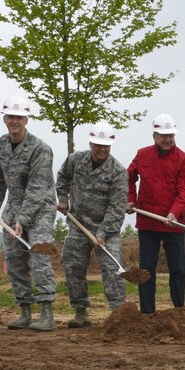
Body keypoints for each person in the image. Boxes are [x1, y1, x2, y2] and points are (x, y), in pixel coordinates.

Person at [0, 95, 58, 331]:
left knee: (39, 255)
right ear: (5, 119)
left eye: (19, 117)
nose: (14, 121)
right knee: (14, 260)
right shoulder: (1, 144)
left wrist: (23, 221)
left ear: (26, 119)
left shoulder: (40, 149)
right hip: (14, 207)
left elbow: (37, 188)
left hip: (41, 209)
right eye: (11, 117)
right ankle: (25, 311)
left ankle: (46, 313)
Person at [56, 122, 128, 327]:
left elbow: (117, 207)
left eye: (105, 145)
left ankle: (118, 314)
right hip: (78, 225)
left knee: (113, 268)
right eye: (97, 144)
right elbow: (62, 177)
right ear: (91, 142)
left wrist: (103, 233)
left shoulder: (118, 172)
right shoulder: (76, 160)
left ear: (111, 145)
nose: (101, 149)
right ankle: (80, 312)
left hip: (107, 229)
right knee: (73, 265)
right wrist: (63, 198)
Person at [126, 113, 185, 314]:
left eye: (171, 135)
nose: (168, 139)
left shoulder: (184, 160)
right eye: (163, 135)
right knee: (146, 270)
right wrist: (131, 199)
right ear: (154, 135)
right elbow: (128, 178)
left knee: (178, 269)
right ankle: (147, 312)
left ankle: (179, 310)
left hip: (173, 224)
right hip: (148, 222)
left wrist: (174, 213)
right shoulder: (142, 154)